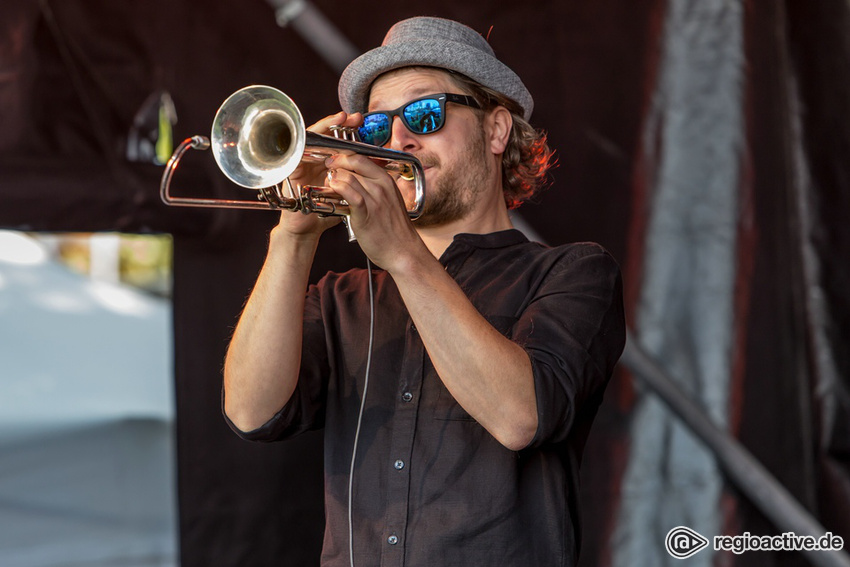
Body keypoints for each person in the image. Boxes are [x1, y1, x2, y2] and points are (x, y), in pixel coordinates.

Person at [222, 16, 625, 567]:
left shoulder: (574, 273)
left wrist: (403, 255)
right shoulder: (341, 297)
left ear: (496, 130)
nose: (399, 139)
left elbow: (520, 416)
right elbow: (250, 412)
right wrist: (292, 236)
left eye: (424, 114)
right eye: (377, 127)